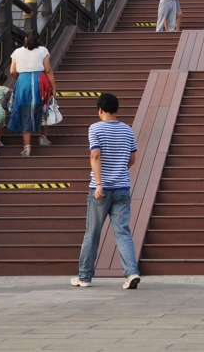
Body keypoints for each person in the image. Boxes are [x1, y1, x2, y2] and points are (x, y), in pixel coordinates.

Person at [72, 92, 141, 290]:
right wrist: (118, 172)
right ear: (116, 109)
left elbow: (95, 155)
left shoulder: (95, 128)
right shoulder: (128, 130)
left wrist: (101, 183)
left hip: (100, 189)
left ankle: (84, 277)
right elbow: (132, 159)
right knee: (123, 232)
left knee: (92, 233)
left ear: (100, 110)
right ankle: (132, 273)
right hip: (122, 188)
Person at [8, 28, 57, 157]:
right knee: (44, 107)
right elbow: (48, 69)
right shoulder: (43, 50)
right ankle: (43, 137)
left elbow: (12, 71)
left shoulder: (17, 52)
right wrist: (54, 86)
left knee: (25, 110)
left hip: (23, 81)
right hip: (40, 81)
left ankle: (27, 147)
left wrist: (19, 80)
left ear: (25, 39)